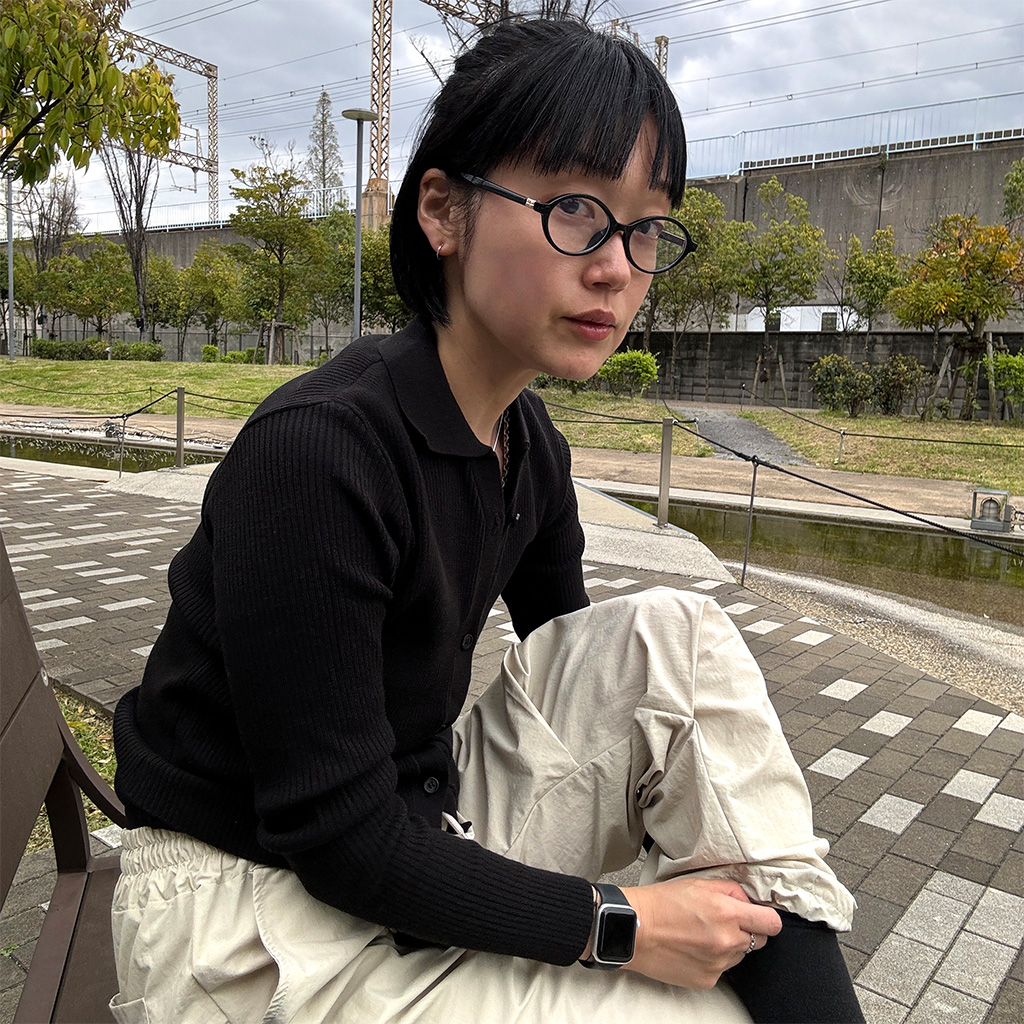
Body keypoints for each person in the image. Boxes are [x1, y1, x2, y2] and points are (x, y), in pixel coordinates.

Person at [110, 18, 864, 1024]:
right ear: (442, 210)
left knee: (673, 640)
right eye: (576, 210)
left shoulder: (526, 443)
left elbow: (592, 683)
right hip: (244, 923)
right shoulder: (319, 455)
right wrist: (622, 923)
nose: (616, 268)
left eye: (645, 228)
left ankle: (790, 965)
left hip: (407, 825)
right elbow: (335, 835)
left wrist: (684, 877)